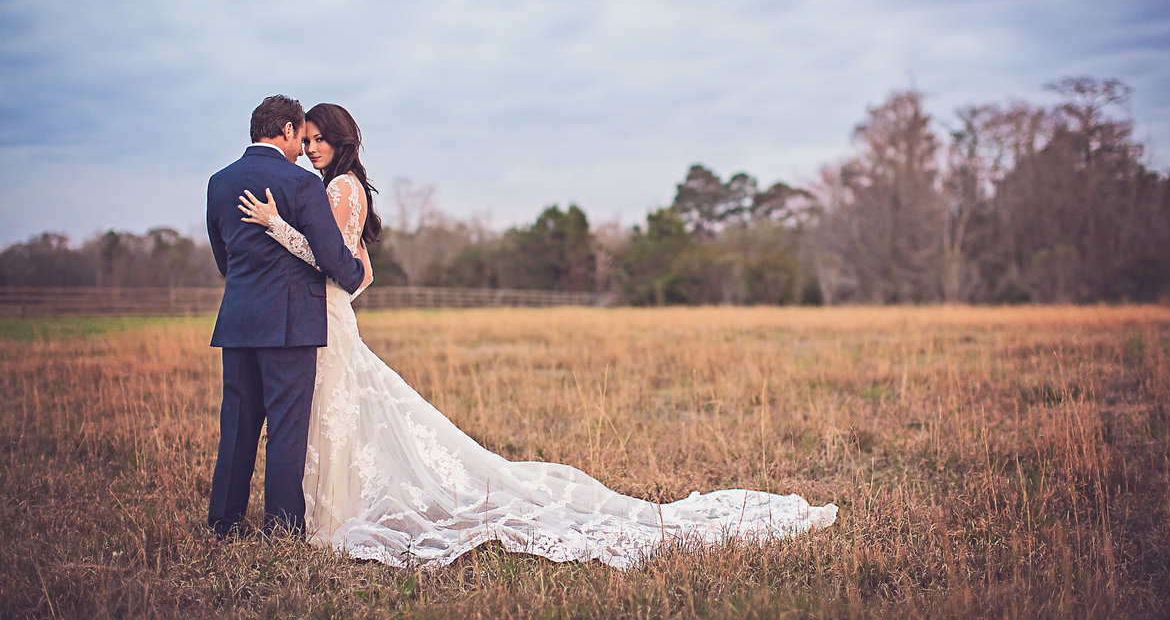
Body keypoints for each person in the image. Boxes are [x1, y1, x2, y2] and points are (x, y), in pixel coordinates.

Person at [239, 103, 838, 568]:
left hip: (326, 320)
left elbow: (335, 262)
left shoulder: (339, 188)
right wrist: (341, 287)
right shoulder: (340, 189)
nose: (310, 149)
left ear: (342, 143)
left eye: (318, 140)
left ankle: (325, 517)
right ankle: (323, 512)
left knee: (340, 414)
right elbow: (359, 272)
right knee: (339, 416)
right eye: (307, 139)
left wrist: (274, 227)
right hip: (325, 318)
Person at [206, 96, 366, 539]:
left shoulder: (218, 182)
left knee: (237, 426)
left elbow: (224, 259)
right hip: (290, 325)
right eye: (302, 137)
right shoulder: (300, 183)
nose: (304, 148)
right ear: (288, 131)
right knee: (287, 429)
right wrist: (356, 273)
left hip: (237, 321)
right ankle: (281, 528)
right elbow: (332, 255)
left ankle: (224, 523)